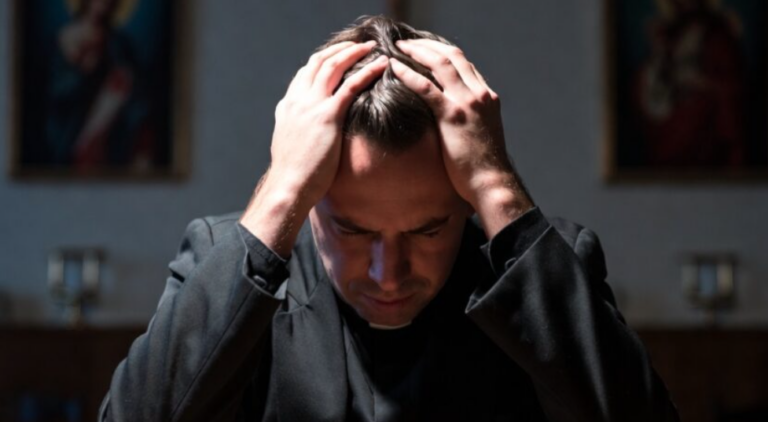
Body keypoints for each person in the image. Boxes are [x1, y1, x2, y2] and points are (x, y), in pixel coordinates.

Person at [100, 16, 679, 421]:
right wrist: (280, 188)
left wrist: (496, 183)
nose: (388, 273)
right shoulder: (223, 258)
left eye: (429, 229)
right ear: (312, 195)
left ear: (465, 199)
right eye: (351, 230)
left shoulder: (550, 270)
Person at [634, 0, 745, 167]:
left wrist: (700, 82)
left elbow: (733, 84)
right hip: (673, 112)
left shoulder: (718, 36)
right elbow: (658, 76)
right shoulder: (671, 33)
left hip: (704, 117)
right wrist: (658, 51)